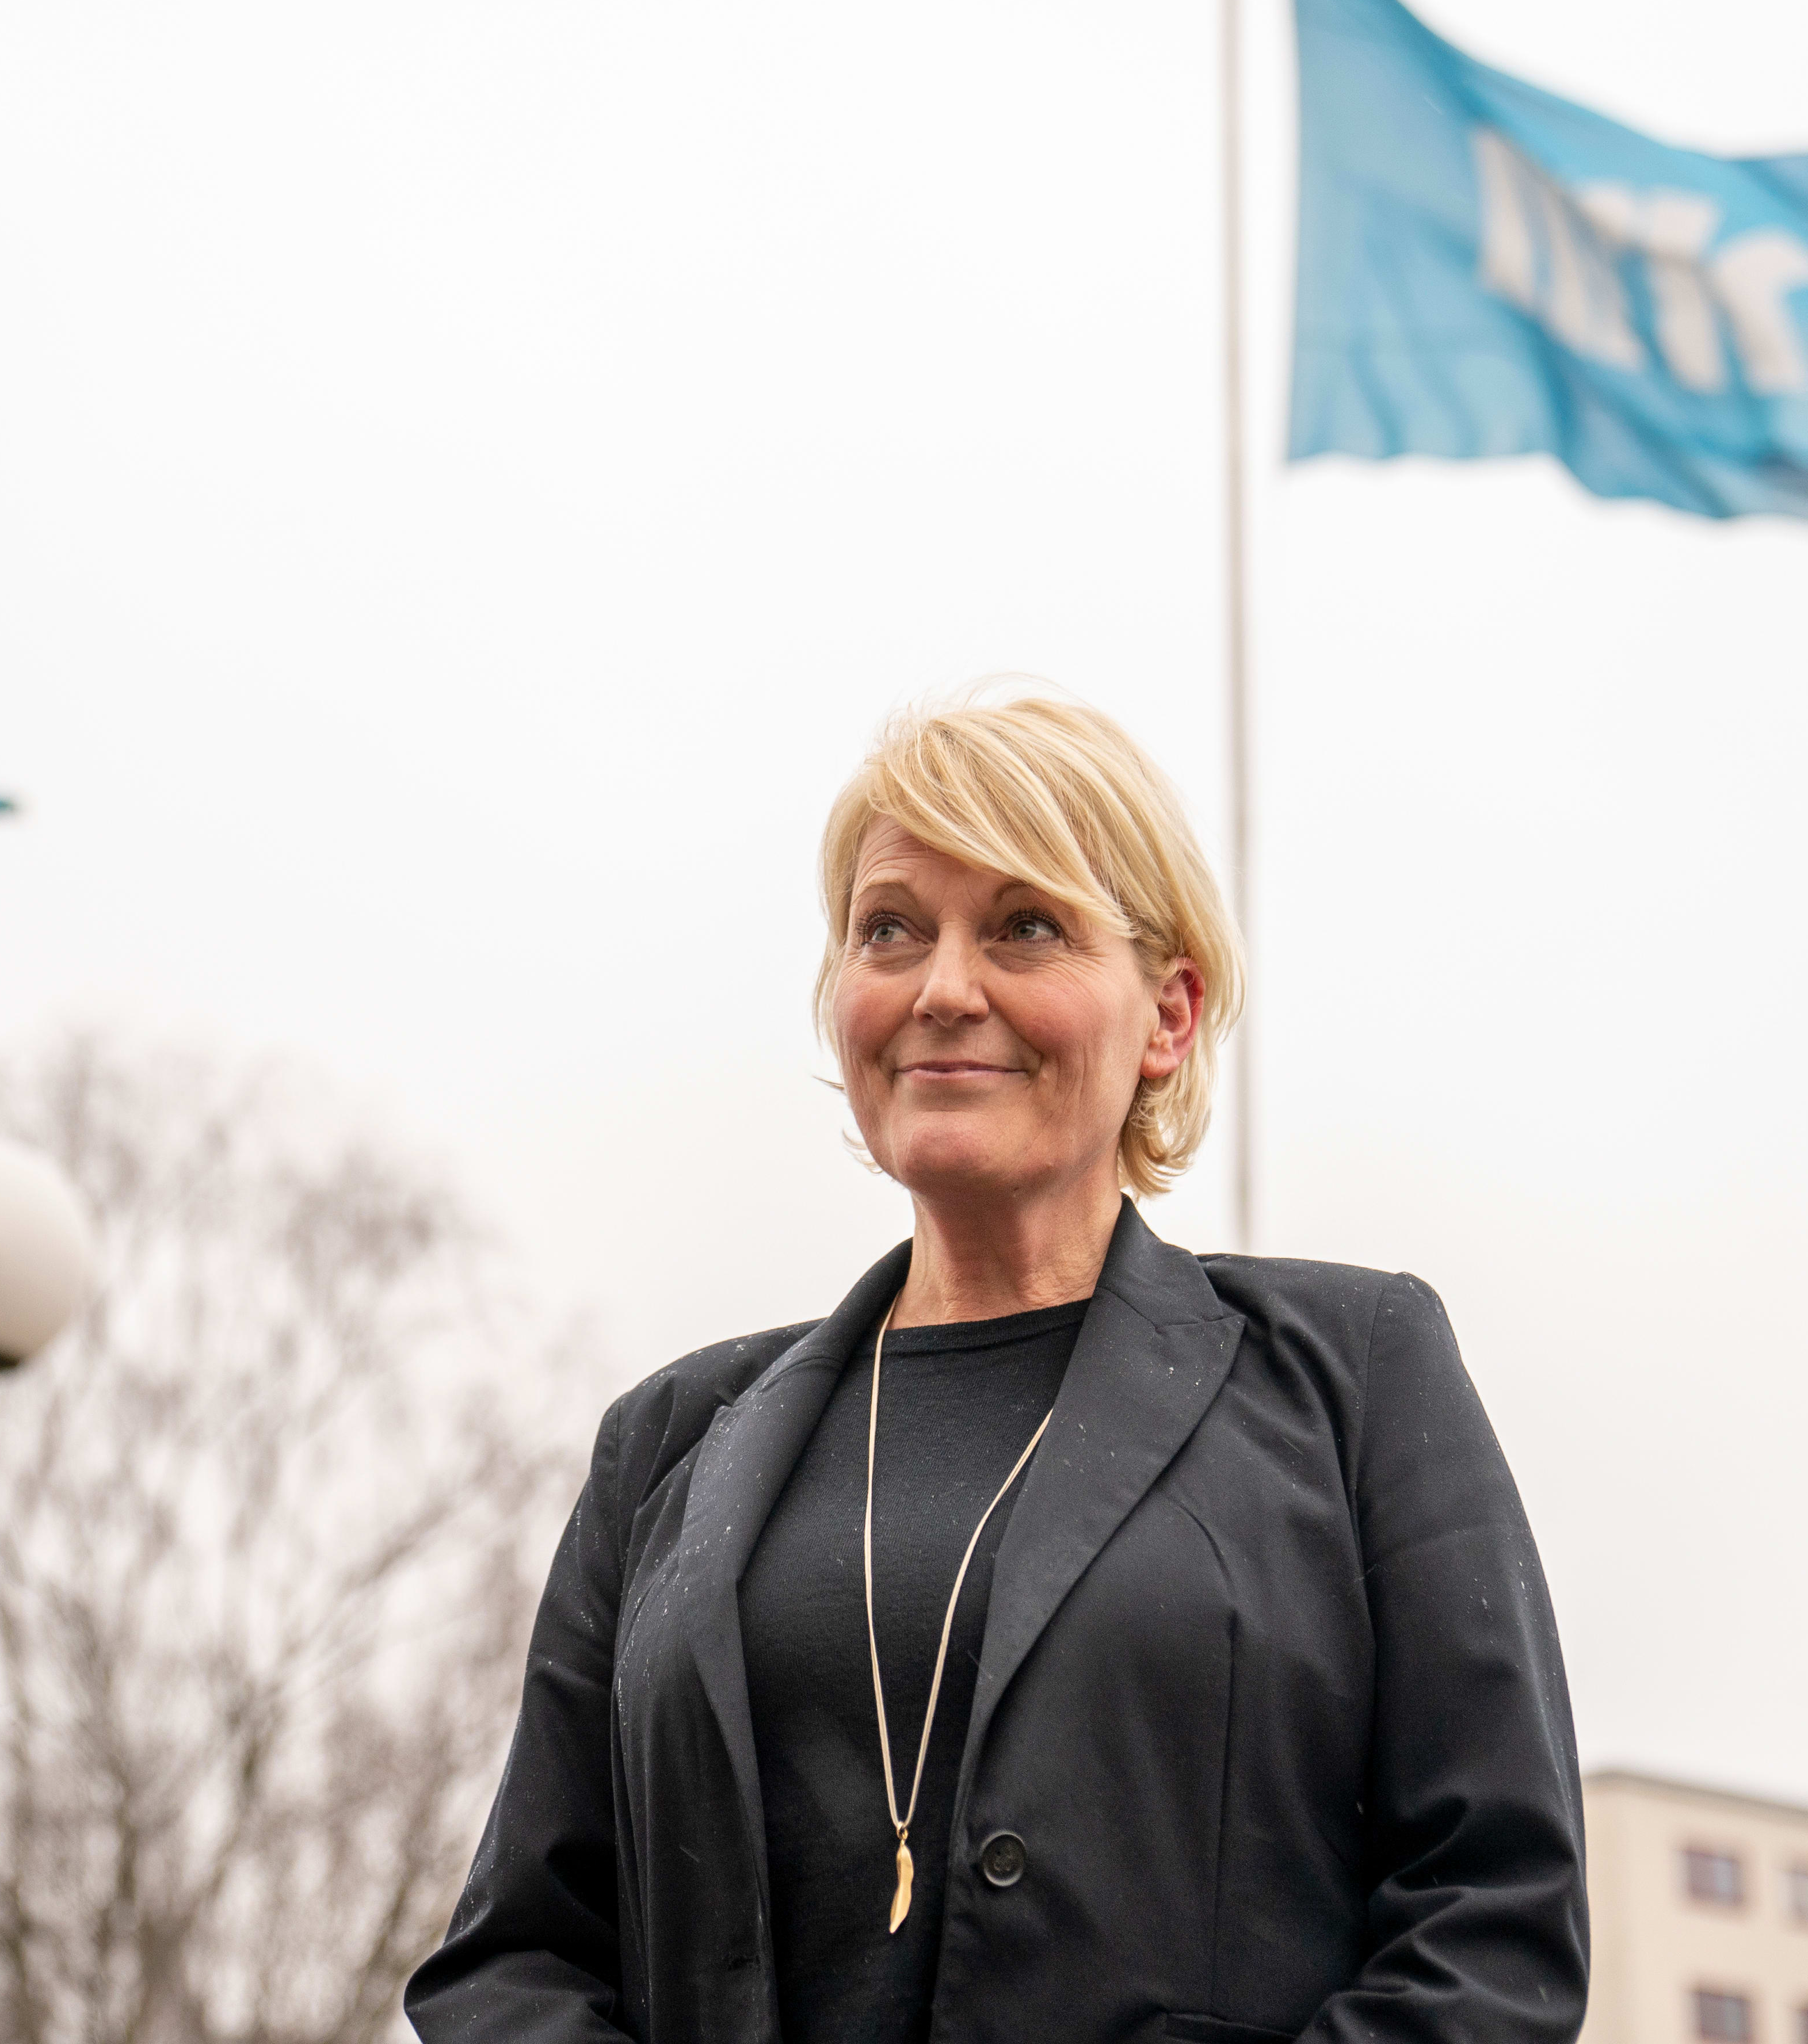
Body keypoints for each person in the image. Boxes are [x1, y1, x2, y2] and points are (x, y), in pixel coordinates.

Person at [407, 691, 1585, 2044]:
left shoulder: (1359, 1378)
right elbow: (515, 1962)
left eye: (1025, 925)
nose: (944, 987)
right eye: (890, 928)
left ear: (1170, 1012)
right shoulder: (668, 1442)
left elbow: (1491, 1925)